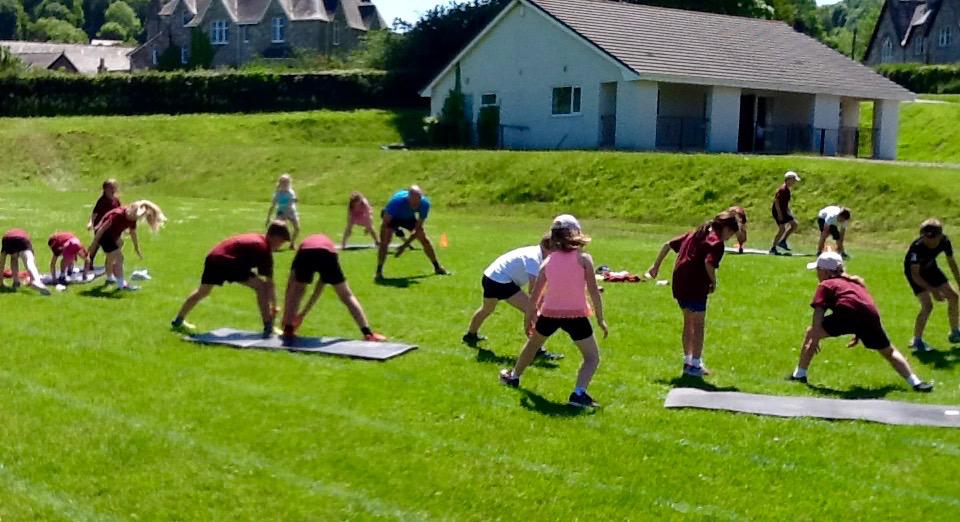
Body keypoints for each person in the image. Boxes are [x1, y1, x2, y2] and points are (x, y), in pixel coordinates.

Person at [499, 215, 608, 408]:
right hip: (576, 316)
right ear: (576, 233)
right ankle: (578, 394)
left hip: (549, 314)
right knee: (592, 357)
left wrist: (528, 319)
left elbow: (534, 296)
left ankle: (514, 376)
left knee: (532, 346)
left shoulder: (547, 262)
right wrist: (600, 319)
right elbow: (593, 291)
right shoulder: (584, 259)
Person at [789, 252, 933, 392]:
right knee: (889, 351)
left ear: (826, 271)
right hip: (870, 316)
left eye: (818, 270)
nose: (817, 274)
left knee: (811, 331)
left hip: (847, 313)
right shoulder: (855, 283)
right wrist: (859, 331)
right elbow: (863, 307)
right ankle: (916, 382)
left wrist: (814, 338)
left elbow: (818, 312)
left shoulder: (826, 284)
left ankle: (799, 375)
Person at [171, 221, 291, 337]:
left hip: (213, 257)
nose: (280, 245)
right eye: (281, 241)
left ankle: (178, 320)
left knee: (203, 291)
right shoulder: (263, 249)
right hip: (227, 260)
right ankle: (269, 327)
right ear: (274, 237)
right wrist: (274, 306)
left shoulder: (259, 240)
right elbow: (270, 283)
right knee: (261, 288)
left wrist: (274, 305)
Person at [463, 235, 563, 360]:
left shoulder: (535, 252)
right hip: (501, 282)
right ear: (549, 248)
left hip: (490, 277)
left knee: (487, 309)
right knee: (533, 312)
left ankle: (470, 335)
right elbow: (533, 290)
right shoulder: (534, 258)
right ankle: (537, 351)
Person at [281, 233, 387, 346]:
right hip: (327, 253)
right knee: (347, 295)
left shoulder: (300, 254)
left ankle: (288, 329)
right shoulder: (328, 250)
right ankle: (368, 333)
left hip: (308, 252)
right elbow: (319, 287)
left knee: (297, 291)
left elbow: (291, 287)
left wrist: (289, 316)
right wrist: (301, 315)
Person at [670, 211, 740, 378]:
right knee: (699, 325)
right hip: (695, 284)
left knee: (688, 322)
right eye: (730, 234)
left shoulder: (699, 232)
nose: (728, 238)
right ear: (726, 229)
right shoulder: (716, 243)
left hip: (679, 281)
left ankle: (687, 361)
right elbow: (709, 263)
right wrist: (714, 282)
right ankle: (695, 364)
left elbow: (668, 244)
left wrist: (656, 266)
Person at [903, 219, 960, 352]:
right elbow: (915, 274)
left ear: (939, 236)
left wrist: (959, 282)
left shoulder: (945, 241)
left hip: (930, 268)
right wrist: (934, 291)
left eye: (932, 238)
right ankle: (917, 341)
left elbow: (951, 262)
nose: (929, 241)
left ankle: (955, 332)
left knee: (954, 297)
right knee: (927, 305)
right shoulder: (917, 248)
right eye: (925, 238)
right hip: (915, 274)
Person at [85, 200, 166, 291]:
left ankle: (110, 278)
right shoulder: (118, 215)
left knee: (114, 253)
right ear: (131, 209)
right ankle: (121, 284)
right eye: (135, 217)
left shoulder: (132, 219)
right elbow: (103, 228)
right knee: (119, 257)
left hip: (113, 236)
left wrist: (136, 248)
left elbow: (133, 233)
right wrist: (95, 242)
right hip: (104, 236)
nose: (134, 219)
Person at [376, 185, 448, 279]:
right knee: (385, 242)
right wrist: (383, 242)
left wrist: (404, 246)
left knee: (424, 239)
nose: (415, 204)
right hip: (393, 218)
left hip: (409, 218)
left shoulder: (424, 204)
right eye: (413, 202)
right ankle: (379, 271)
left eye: (417, 201)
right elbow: (385, 224)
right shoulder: (396, 203)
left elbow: (417, 229)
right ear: (408, 198)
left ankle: (437, 267)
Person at [88, 179, 121, 281]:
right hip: (101, 227)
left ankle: (109, 265)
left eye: (114, 187)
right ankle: (89, 261)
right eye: (111, 187)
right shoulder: (102, 201)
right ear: (105, 189)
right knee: (96, 245)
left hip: (112, 228)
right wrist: (90, 223)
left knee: (113, 246)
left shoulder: (116, 200)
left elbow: (120, 212)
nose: (113, 189)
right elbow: (94, 213)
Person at [0, 229, 50, 295]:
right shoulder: (25, 238)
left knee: (14, 258)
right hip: (22, 239)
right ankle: (36, 281)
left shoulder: (8, 237)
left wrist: (1, 282)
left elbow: (2, 263)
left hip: (7, 239)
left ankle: (16, 282)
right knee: (29, 261)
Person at [265, 173, 300, 249]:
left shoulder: (291, 192)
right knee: (277, 229)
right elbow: (272, 206)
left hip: (291, 212)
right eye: (283, 182)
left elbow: (294, 200)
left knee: (297, 228)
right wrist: (268, 218)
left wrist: (295, 200)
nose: (285, 184)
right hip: (281, 212)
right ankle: (274, 244)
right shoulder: (277, 194)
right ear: (280, 183)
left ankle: (292, 244)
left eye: (287, 182)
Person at [770, 171, 800, 255]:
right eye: (793, 180)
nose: (794, 182)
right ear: (788, 179)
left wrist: (788, 211)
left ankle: (782, 241)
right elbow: (776, 202)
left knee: (794, 224)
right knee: (782, 229)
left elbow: (785, 203)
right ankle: (773, 248)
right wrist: (779, 214)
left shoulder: (787, 189)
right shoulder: (782, 189)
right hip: (778, 211)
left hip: (784, 211)